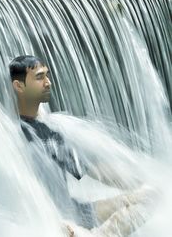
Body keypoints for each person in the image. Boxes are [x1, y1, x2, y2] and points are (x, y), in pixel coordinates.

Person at [9, 55, 157, 237]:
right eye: (40, 77)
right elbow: (15, 199)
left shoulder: (48, 130)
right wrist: (55, 223)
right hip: (49, 221)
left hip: (74, 211)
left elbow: (91, 169)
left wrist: (138, 183)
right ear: (19, 86)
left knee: (151, 197)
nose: (48, 82)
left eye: (47, 76)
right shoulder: (9, 134)